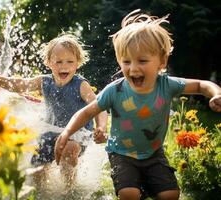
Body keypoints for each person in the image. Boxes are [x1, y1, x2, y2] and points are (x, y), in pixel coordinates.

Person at [55, 10, 221, 200]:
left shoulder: (166, 85)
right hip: (121, 154)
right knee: (129, 194)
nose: (133, 68)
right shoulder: (114, 91)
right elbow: (85, 113)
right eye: (126, 61)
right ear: (119, 60)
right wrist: (67, 132)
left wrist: (216, 93)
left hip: (153, 153)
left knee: (170, 195)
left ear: (162, 61)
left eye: (142, 61)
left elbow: (201, 85)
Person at [0, 33, 108, 189]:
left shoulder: (81, 85)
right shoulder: (44, 81)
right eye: (58, 61)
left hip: (76, 132)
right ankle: (42, 193)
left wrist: (101, 127)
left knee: (69, 150)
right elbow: (20, 85)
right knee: (37, 167)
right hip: (50, 131)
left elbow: (99, 107)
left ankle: (70, 191)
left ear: (77, 64)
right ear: (49, 63)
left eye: (70, 61)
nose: (64, 66)